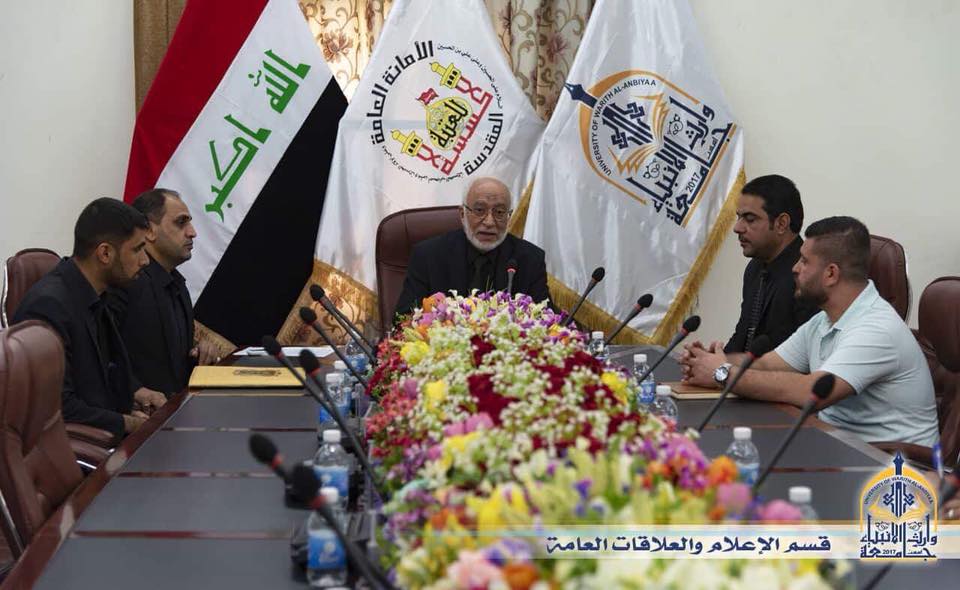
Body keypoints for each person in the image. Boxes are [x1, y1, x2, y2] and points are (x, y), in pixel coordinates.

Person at [681, 216, 939, 446]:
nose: (795, 268)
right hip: (838, 447)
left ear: (831, 274)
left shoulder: (876, 329)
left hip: (892, 466)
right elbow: (768, 365)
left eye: (804, 261)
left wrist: (722, 373)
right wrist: (710, 361)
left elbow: (810, 392)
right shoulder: (824, 320)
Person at [13, 198, 167, 438]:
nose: (145, 260)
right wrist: (129, 423)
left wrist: (136, 393)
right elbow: (58, 408)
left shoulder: (98, 294)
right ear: (105, 253)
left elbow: (101, 379)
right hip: (77, 451)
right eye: (137, 249)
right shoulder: (48, 307)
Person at [682, 175, 817, 381]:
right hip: (746, 382)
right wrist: (709, 361)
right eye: (739, 217)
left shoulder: (808, 276)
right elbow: (745, 335)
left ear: (781, 223)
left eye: (750, 219)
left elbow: (797, 362)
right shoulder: (755, 268)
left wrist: (721, 370)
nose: (737, 227)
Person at [111, 189, 218, 396]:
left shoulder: (177, 284)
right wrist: (133, 392)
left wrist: (199, 352)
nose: (192, 232)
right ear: (149, 231)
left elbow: (173, 363)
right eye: (181, 222)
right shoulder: (126, 281)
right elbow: (103, 359)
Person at [393, 177, 551, 317]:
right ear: (462, 214)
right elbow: (404, 318)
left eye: (499, 212)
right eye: (479, 210)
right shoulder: (428, 255)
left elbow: (547, 319)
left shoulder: (530, 258)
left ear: (508, 217)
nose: (489, 222)